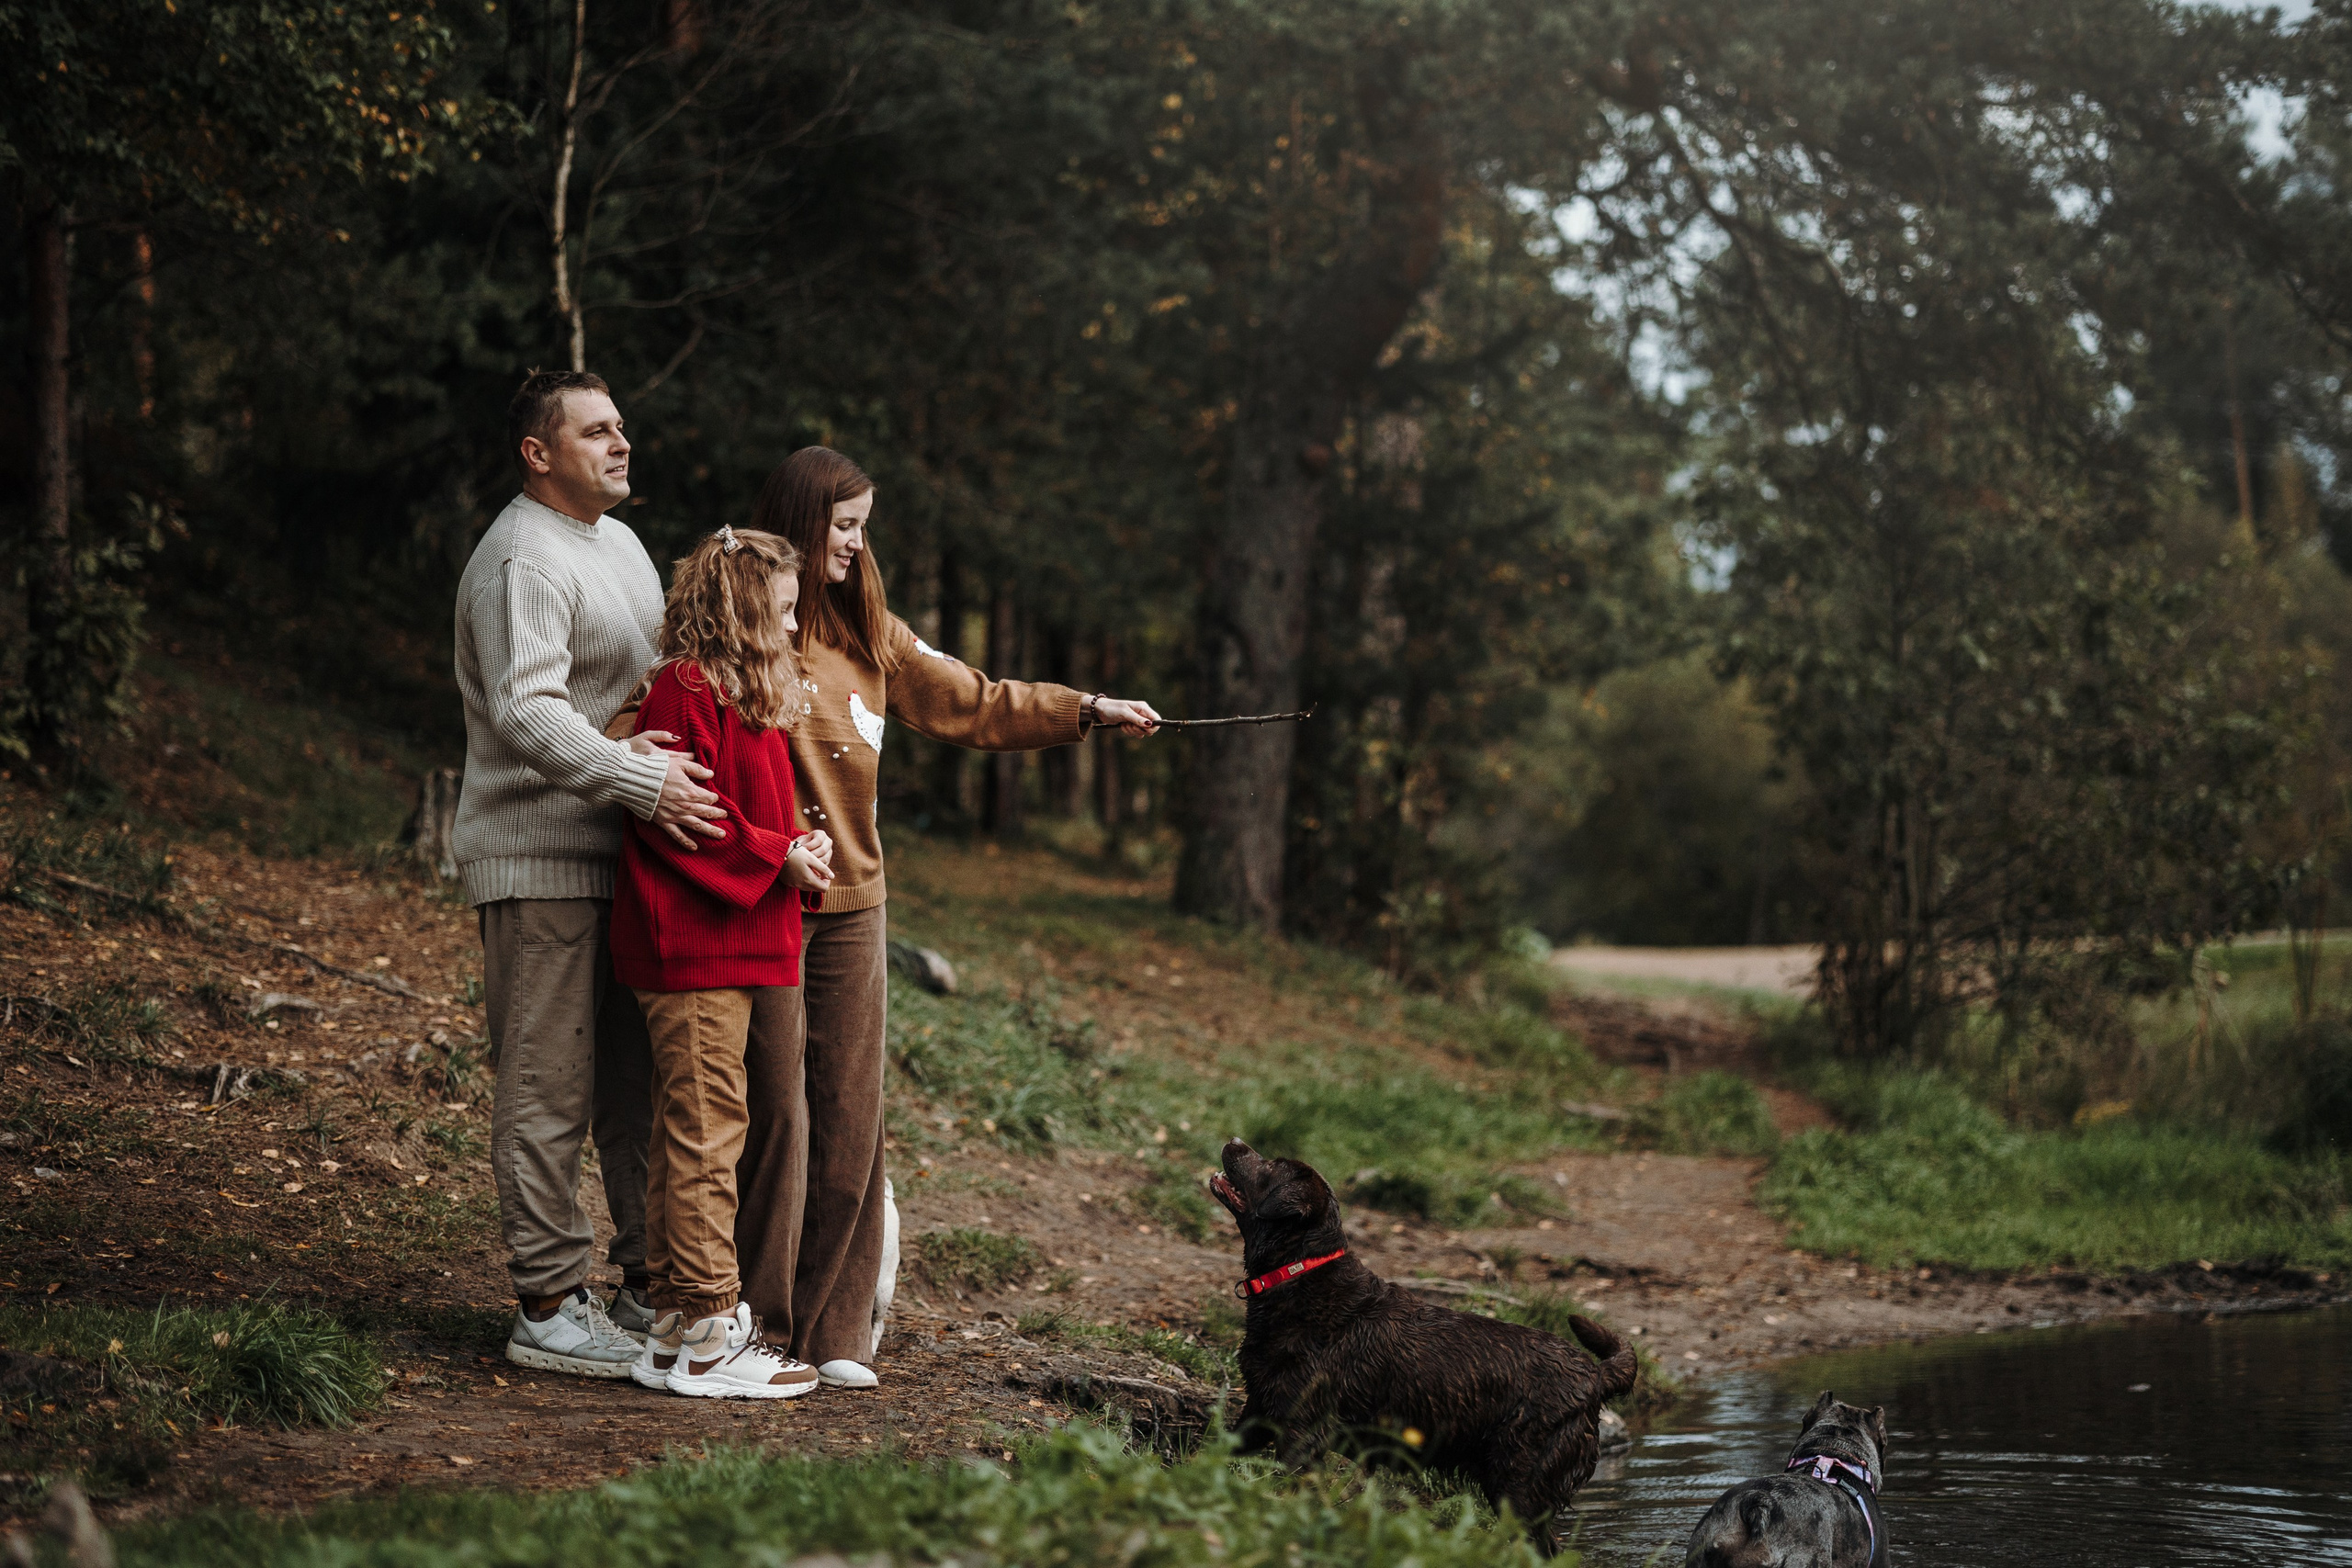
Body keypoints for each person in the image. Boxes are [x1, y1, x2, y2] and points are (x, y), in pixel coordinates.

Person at [743, 446, 1161, 1389]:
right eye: (844, 525)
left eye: (863, 527)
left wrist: (1087, 709)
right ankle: (758, 1328)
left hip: (855, 909)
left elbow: (975, 702)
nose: (856, 544)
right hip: (763, 902)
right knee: (776, 1114)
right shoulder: (747, 622)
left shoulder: (873, 634)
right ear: (801, 520)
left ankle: (834, 1331)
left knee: (851, 1117)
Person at [453, 369, 730, 1378]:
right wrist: (637, 776)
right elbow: (526, 710)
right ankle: (546, 1303)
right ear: (539, 453)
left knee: (634, 1084)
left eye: (621, 427)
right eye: (596, 431)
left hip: (627, 857)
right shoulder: (520, 557)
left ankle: (645, 1282)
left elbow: (641, 682)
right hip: (541, 858)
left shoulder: (616, 544)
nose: (622, 444)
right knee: (548, 1085)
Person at [608, 525, 842, 1398]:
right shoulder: (686, 687)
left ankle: (673, 1325)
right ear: (741, 609)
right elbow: (686, 817)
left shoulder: (742, 692)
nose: (792, 627)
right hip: (693, 944)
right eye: (781, 610)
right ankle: (711, 1332)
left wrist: (796, 847)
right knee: (708, 1132)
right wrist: (776, 855)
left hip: (732, 939)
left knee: (694, 1129)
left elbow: (750, 810)